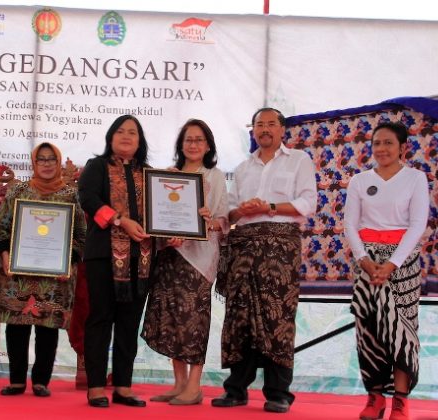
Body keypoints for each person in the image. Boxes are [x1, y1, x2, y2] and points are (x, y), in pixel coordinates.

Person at [213, 107, 317, 413]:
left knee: (277, 317)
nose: (265, 129)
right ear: (254, 131)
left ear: (282, 129)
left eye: (271, 124)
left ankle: (278, 392)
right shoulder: (243, 167)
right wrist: (241, 211)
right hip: (244, 247)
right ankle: (236, 389)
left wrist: (269, 207)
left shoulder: (299, 160)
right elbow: (230, 213)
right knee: (240, 317)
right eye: (260, 125)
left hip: (280, 248)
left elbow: (308, 202)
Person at [344, 122, 429, 420]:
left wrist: (392, 264)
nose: (381, 149)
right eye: (377, 143)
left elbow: (417, 224)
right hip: (367, 264)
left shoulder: (415, 179)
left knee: (402, 331)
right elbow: (350, 225)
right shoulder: (359, 181)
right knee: (369, 330)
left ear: (403, 147)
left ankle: (400, 402)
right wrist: (365, 261)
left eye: (388, 143)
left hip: (403, 264)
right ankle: (375, 398)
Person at [0, 142, 86, 397]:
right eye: (41, 159)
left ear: (58, 162)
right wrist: (5, 255)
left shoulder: (70, 195)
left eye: (51, 159)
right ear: (33, 163)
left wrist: (69, 261)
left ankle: (41, 381)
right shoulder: (17, 191)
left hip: (55, 277)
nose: (46, 164)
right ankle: (17, 381)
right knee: (17, 326)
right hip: (19, 274)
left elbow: (81, 235)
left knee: (47, 327)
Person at [141, 119, 228, 405]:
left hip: (199, 258)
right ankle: (179, 383)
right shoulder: (169, 175)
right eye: (188, 139)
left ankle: (194, 385)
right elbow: (158, 216)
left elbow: (222, 220)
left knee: (194, 318)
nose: (193, 144)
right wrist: (167, 235)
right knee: (171, 317)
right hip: (170, 254)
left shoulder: (214, 176)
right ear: (181, 144)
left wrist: (206, 221)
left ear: (208, 146)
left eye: (199, 140)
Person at [77, 115, 153, 408]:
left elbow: (161, 211)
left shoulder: (149, 174)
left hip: (141, 257)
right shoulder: (96, 166)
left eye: (132, 132)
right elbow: (88, 199)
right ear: (110, 137)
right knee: (100, 318)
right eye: (120, 131)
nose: (126, 136)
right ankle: (96, 386)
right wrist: (120, 220)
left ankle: (123, 386)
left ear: (140, 141)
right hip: (103, 254)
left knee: (128, 323)